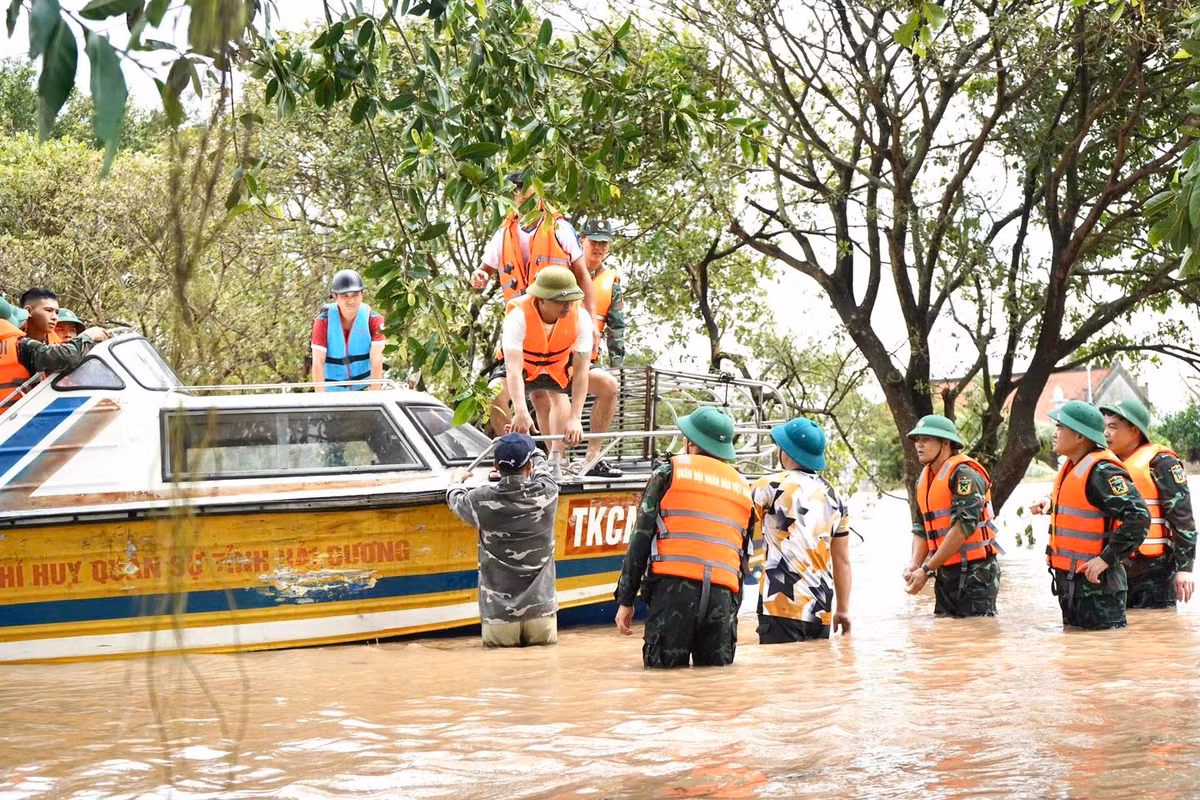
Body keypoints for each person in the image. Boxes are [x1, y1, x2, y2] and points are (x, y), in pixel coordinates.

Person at [613, 407, 754, 668]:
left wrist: (626, 600)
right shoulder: (744, 487)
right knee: (714, 687)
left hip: (673, 593)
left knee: (662, 683)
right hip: (722, 598)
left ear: (691, 442)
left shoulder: (668, 473)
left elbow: (640, 539)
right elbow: (742, 556)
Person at [1031, 400, 1149, 630]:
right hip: (1073, 583)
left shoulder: (1102, 471)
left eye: (1060, 427)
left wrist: (1106, 558)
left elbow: (1139, 516)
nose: (1055, 433)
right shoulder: (1073, 466)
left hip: (1099, 588)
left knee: (1105, 658)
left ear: (1079, 436)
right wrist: (1050, 503)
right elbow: (1086, 506)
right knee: (1078, 656)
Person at [446, 432, 559, 647]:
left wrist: (457, 479)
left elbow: (454, 498)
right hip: (541, 613)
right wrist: (531, 448)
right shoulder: (547, 493)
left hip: (499, 617)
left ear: (496, 466)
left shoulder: (480, 500)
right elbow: (541, 465)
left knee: (500, 677)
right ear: (529, 468)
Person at [753, 416, 852, 642]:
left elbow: (740, 527)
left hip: (779, 604)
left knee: (779, 674)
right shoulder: (835, 497)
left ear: (786, 451)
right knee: (815, 675)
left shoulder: (768, 486)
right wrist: (844, 609)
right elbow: (842, 560)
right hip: (821, 608)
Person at [902, 414, 1003, 616]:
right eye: (917, 439)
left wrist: (927, 569)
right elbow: (921, 528)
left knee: (976, 637)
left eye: (926, 439)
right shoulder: (924, 480)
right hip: (945, 572)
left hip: (977, 573)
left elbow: (962, 528)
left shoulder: (965, 475)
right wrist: (915, 564)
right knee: (945, 637)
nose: (918, 445)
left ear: (946, 443)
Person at [1100, 399, 1196, 608]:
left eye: (1113, 427)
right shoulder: (1106, 465)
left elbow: (1183, 518)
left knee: (1156, 631)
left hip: (1155, 570)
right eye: (1104, 427)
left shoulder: (1162, 463)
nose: (1105, 433)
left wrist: (1185, 569)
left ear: (1135, 431)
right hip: (1116, 568)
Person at [502, 267, 593, 465]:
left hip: (558, 367)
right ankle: (510, 458)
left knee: (607, 384)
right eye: (560, 300)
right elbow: (513, 369)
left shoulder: (580, 316)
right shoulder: (518, 316)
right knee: (494, 393)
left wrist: (575, 417)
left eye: (570, 299)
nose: (567, 305)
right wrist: (520, 411)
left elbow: (581, 372)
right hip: (525, 368)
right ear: (541, 299)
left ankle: (564, 457)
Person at [1, 317, 110, 407]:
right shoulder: (30, 354)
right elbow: (66, 355)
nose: (68, 335)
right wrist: (89, 336)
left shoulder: (90, 363)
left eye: (73, 330)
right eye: (61, 330)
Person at [310, 269, 386, 391]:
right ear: (335, 297)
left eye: (355, 295)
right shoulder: (322, 321)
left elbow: (377, 359)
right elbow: (318, 361)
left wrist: (374, 397)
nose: (351, 300)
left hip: (363, 391)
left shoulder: (374, 320)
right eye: (345, 296)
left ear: (363, 294)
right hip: (332, 393)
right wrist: (322, 401)